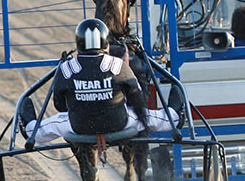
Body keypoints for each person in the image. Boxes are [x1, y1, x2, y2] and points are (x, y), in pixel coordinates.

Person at [18, 19, 184, 145]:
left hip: (79, 125)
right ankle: (176, 115)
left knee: (45, 128)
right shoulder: (117, 64)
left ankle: (29, 126)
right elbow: (137, 100)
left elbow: (60, 106)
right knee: (157, 118)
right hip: (119, 123)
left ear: (79, 42)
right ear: (105, 42)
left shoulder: (67, 68)